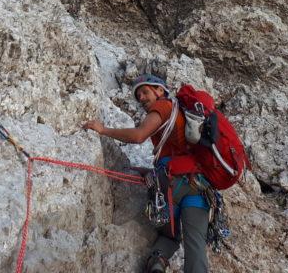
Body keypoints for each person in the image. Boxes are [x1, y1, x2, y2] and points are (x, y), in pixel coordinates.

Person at [82, 74, 211, 273]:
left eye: (145, 91)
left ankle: (157, 265)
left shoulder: (163, 106)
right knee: (196, 246)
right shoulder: (182, 115)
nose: (141, 97)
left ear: (160, 90)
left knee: (169, 236)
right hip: (199, 186)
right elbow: (180, 153)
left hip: (172, 185)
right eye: (138, 95)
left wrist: (103, 129)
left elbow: (139, 135)